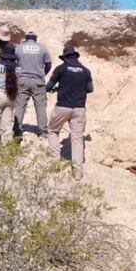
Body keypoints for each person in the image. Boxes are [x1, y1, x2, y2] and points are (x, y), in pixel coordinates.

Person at [46, 44, 93, 180]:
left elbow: (48, 87)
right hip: (79, 108)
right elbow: (90, 89)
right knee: (77, 138)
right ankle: (77, 172)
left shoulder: (61, 69)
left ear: (65, 57)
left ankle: (55, 163)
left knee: (53, 130)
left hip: (63, 106)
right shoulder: (85, 71)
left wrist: (59, 88)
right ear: (75, 56)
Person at [13, 31, 52, 138]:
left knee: (20, 106)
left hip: (22, 80)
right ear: (35, 38)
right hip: (38, 80)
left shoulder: (19, 48)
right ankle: (43, 132)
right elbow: (48, 64)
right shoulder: (42, 48)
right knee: (40, 107)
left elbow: (14, 62)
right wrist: (43, 73)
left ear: (26, 38)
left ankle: (16, 129)